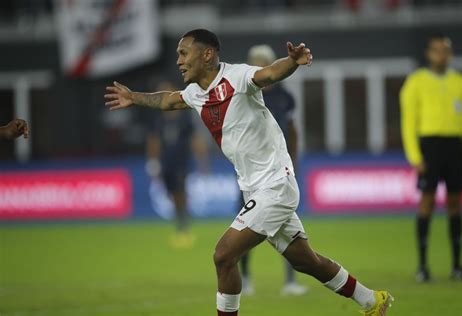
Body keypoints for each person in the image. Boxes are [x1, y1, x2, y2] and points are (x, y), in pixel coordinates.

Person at [105, 29, 393, 316]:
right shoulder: (194, 93)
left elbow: (268, 74)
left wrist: (292, 62)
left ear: (207, 54)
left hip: (275, 184)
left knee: (224, 254)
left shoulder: (238, 77)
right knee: (307, 262)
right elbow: (167, 100)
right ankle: (372, 300)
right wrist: (134, 97)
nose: (179, 60)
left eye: (184, 53)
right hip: (254, 188)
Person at [400, 34, 462, 282]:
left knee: (455, 203)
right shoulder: (416, 82)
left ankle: (457, 265)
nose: (441, 55)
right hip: (429, 147)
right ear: (429, 54)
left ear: (450, 54)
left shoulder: (460, 82)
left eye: (445, 50)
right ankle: (422, 266)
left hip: (455, 146)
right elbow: (408, 121)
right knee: (427, 203)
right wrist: (415, 156)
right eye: (437, 50)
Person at [238, 44, 307, 296]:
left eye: (261, 62)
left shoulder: (285, 97)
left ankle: (290, 281)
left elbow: (292, 130)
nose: (256, 67)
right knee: (244, 228)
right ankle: (245, 279)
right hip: (252, 173)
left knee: (289, 228)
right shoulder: (244, 93)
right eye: (252, 62)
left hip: (279, 172)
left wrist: (294, 160)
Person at [146, 80, 207, 248]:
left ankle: (184, 228)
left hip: (181, 161)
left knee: (181, 193)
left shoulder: (184, 116)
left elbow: (195, 138)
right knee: (173, 194)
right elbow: (154, 140)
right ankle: (181, 223)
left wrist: (201, 158)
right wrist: (153, 162)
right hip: (166, 163)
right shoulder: (159, 118)